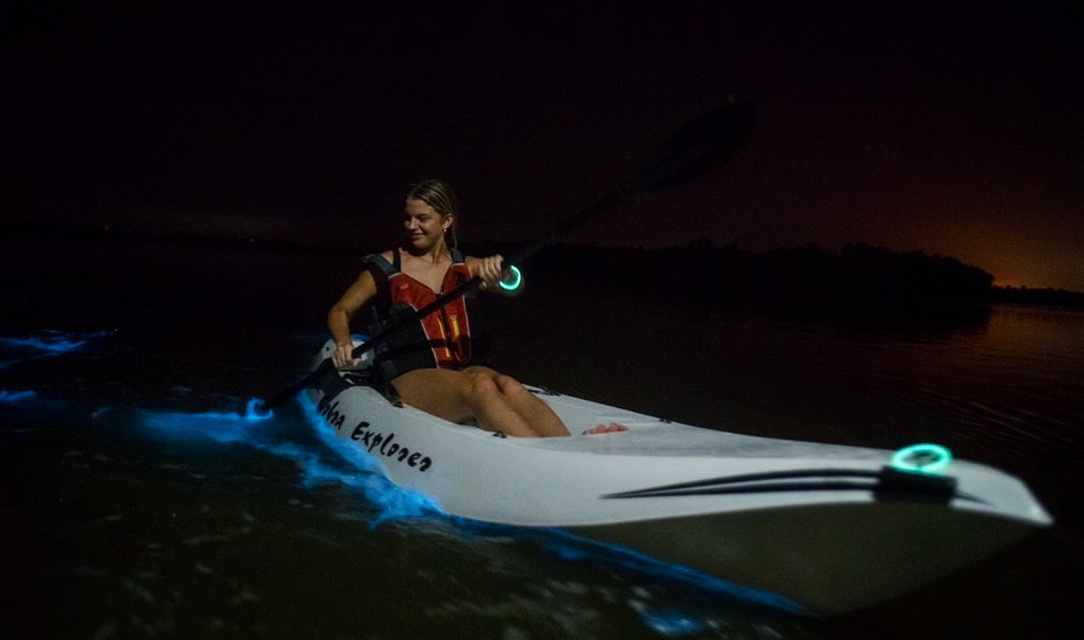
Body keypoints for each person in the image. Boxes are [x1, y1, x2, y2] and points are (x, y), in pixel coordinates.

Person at [327, 179, 626, 438]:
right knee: (481, 386)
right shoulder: (386, 267)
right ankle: (548, 458)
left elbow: (514, 287)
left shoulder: (466, 267)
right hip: (410, 377)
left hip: (463, 370)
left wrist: (504, 274)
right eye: (408, 218)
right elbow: (340, 310)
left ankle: (568, 445)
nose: (411, 226)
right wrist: (342, 342)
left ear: (446, 221)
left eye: (422, 218)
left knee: (508, 385)